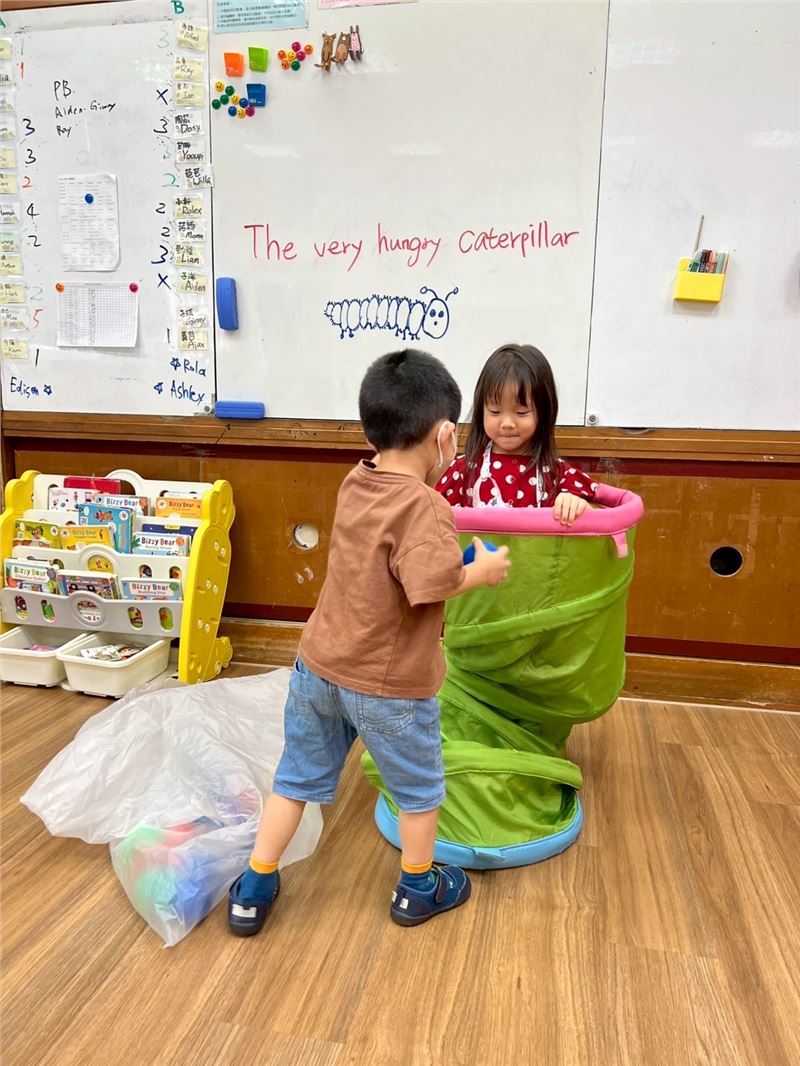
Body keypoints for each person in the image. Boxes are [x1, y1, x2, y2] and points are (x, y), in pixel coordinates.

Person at [228, 349, 510, 936]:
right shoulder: (427, 505)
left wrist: (447, 557)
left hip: (318, 667)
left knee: (295, 780)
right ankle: (417, 888)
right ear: (446, 436)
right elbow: (430, 586)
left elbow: (388, 565)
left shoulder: (355, 482)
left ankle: (254, 885)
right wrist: (480, 571)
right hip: (389, 688)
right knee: (420, 793)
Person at [436, 344, 597, 524]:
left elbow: (596, 510)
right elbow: (432, 514)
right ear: (482, 410)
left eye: (521, 413)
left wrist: (575, 503)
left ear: (543, 413)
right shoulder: (463, 470)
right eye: (495, 412)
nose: (507, 424)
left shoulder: (557, 475)